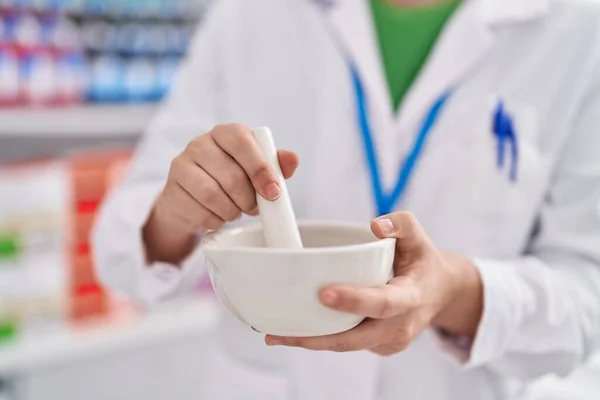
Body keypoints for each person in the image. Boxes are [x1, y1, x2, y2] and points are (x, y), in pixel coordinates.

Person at [93, 0, 600, 399]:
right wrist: (177, 210)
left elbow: (587, 296)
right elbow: (120, 251)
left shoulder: (577, 29)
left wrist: (456, 290)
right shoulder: (250, 13)